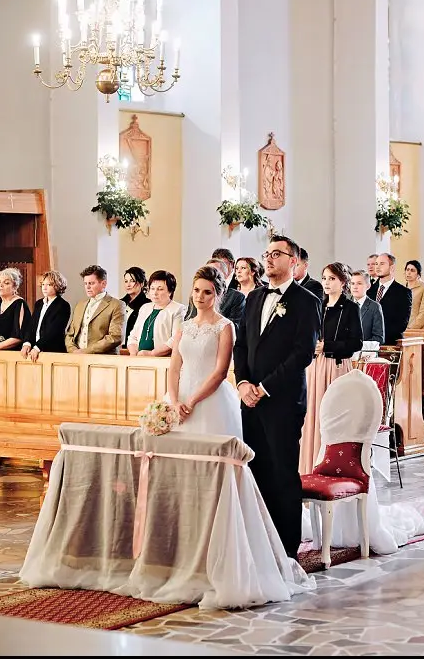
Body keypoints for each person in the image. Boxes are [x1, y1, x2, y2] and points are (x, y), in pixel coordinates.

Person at [233, 236, 322, 559]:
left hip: (282, 400)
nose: (269, 259)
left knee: (283, 472)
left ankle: (286, 549)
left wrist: (265, 387)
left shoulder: (306, 300)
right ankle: (260, 540)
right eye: (267, 254)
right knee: (256, 470)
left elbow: (302, 354)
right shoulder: (254, 297)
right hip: (250, 399)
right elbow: (241, 344)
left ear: (293, 261)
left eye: (277, 254)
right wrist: (243, 383)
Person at [300, 262, 363, 474]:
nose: (327, 283)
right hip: (315, 367)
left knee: (332, 416)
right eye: (325, 278)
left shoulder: (351, 308)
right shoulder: (318, 304)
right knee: (313, 415)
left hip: (335, 367)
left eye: (332, 279)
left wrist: (328, 346)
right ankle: (309, 465)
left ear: (343, 282)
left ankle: (333, 465)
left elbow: (356, 343)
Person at [169, 266, 243, 440]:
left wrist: (192, 402)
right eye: (196, 290)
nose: (199, 296)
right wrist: (174, 402)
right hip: (180, 396)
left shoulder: (225, 327)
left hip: (211, 398)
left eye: (207, 292)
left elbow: (220, 373)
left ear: (217, 295)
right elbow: (173, 368)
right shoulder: (184, 326)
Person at [64, 265, 126, 354]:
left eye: (91, 283)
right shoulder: (80, 305)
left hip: (103, 360)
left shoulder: (117, 305)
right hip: (77, 358)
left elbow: (115, 336)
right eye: (85, 283)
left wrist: (86, 351)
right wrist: (73, 351)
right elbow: (70, 334)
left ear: (103, 283)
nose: (87, 287)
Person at [127, 270, 185, 357]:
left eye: (160, 289)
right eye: (152, 288)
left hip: (163, 360)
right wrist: (133, 353)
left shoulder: (178, 309)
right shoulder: (145, 308)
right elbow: (133, 336)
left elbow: (176, 339)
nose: (155, 293)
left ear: (170, 291)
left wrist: (151, 354)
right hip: (139, 358)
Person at [22, 270, 72, 360]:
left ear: (57, 286)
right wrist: (27, 343)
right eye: (43, 284)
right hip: (34, 350)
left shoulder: (63, 305)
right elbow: (32, 326)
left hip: (52, 351)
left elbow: (54, 331)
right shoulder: (39, 304)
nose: (44, 288)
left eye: (49, 285)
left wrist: (38, 347)